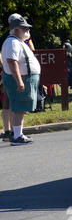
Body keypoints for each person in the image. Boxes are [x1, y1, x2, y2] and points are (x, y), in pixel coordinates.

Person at [1, 14, 41, 146]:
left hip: (24, 78)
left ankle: (19, 133)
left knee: (20, 108)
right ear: (16, 29)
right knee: (19, 108)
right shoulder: (12, 42)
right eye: (24, 28)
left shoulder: (17, 41)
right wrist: (19, 81)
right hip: (21, 79)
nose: (27, 30)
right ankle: (17, 136)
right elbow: (12, 62)